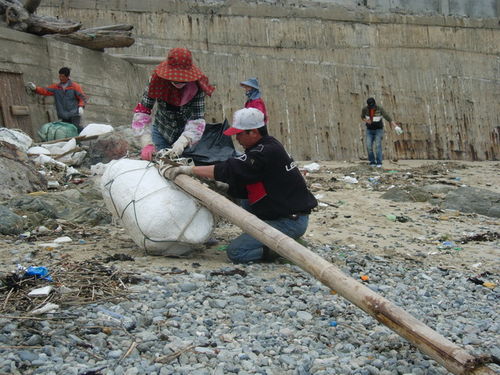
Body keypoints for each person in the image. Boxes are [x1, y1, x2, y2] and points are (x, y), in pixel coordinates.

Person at [161, 107, 318, 264]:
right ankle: (271, 237)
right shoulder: (268, 145)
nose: (237, 138)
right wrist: (222, 185)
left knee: (237, 252)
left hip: (290, 221)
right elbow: (243, 176)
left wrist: (190, 170)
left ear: (254, 132)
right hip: (285, 212)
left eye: (239, 134)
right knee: (245, 201)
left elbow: (231, 168)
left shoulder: (264, 151)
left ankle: (287, 249)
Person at [132, 47, 215, 160]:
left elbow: (197, 118)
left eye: (183, 80)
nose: (179, 83)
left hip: (185, 134)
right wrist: (146, 143)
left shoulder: (198, 86)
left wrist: (183, 142)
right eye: (176, 80)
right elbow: (143, 111)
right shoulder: (156, 81)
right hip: (162, 131)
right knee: (159, 165)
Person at [27, 67, 87, 133]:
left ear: (67, 77)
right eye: (60, 76)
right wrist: (35, 88)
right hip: (63, 115)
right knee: (66, 132)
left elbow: (82, 98)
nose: (61, 78)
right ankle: (72, 143)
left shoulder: (75, 86)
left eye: (63, 76)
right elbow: (45, 91)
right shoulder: (56, 87)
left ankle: (85, 136)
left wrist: (81, 106)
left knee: (75, 129)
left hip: (74, 114)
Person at [361, 97, 402, 168]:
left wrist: (396, 126)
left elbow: (388, 117)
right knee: (368, 146)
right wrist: (366, 120)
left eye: (373, 106)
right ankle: (372, 162)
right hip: (369, 130)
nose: (372, 108)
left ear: (375, 104)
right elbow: (362, 117)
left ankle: (379, 162)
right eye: (370, 107)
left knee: (377, 145)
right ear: (368, 105)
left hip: (378, 130)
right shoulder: (365, 109)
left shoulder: (380, 109)